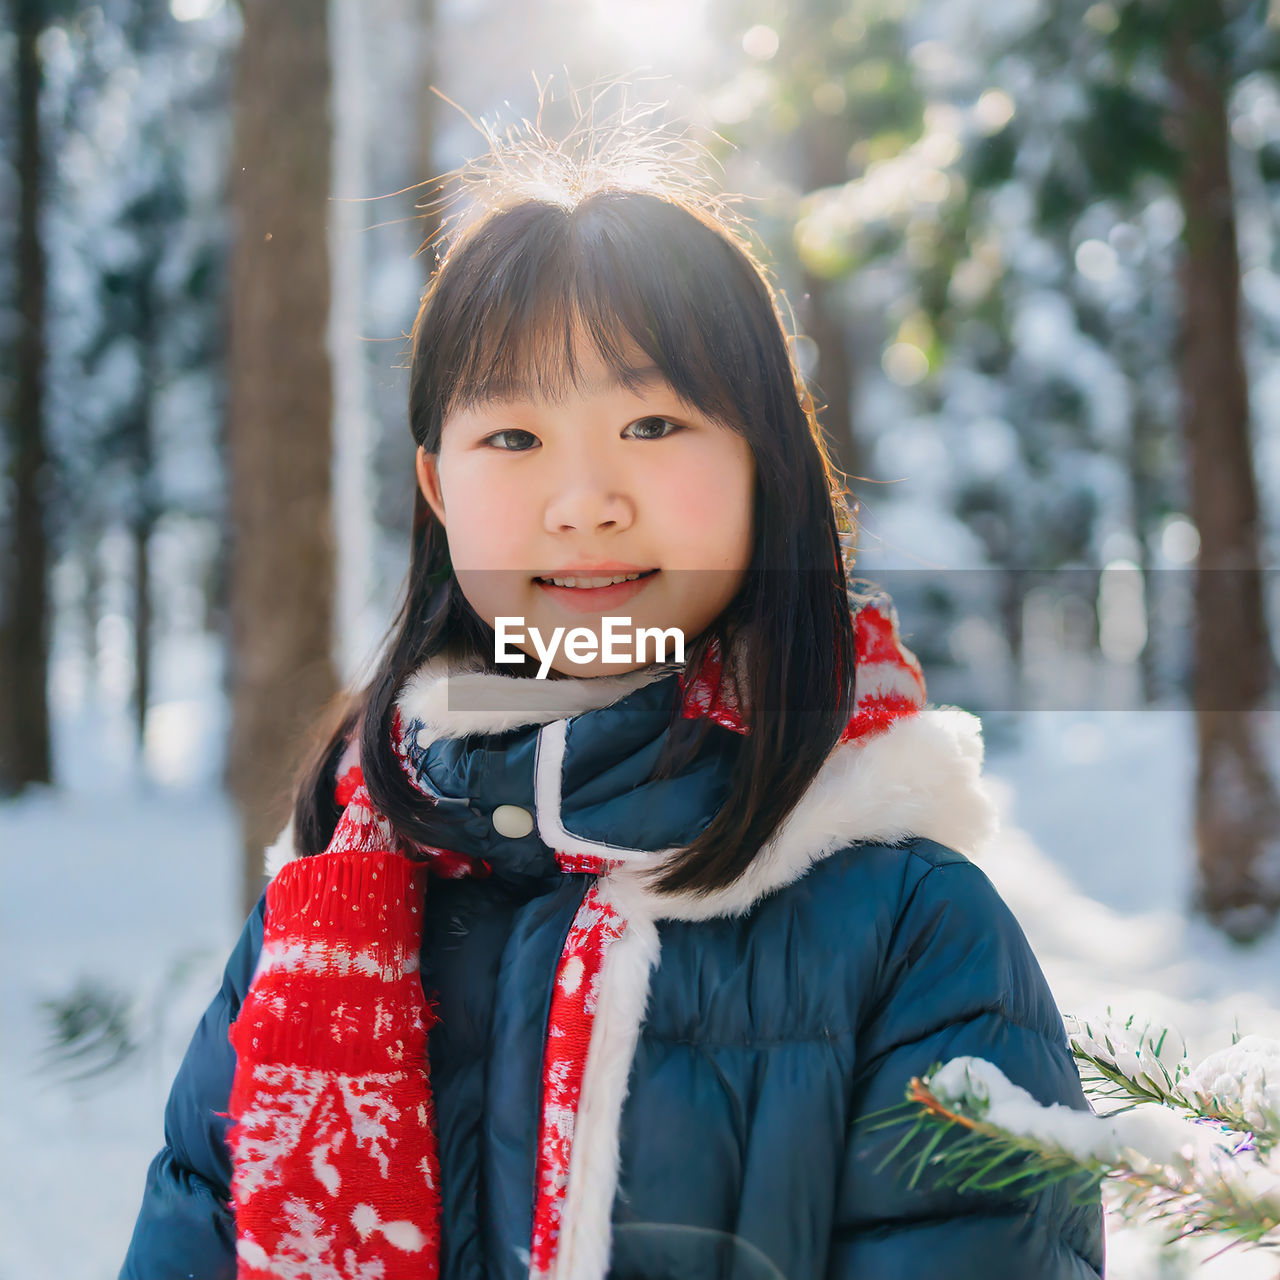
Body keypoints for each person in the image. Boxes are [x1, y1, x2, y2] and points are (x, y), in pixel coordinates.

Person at [120, 125, 1105, 1280]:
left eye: (650, 423)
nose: (583, 500)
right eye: (513, 435)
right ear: (439, 487)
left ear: (762, 463)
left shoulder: (907, 926)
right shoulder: (330, 900)